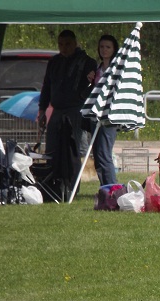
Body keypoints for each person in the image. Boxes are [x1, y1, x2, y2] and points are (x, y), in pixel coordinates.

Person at [38, 30, 97, 162]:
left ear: (75, 44)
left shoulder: (87, 62)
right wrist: (42, 110)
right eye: (61, 44)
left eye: (67, 44)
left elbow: (94, 87)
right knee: (52, 149)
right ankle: (53, 174)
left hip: (76, 110)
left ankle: (77, 174)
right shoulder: (54, 62)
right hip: (57, 110)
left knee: (77, 150)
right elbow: (46, 87)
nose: (64, 48)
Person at [86, 34, 119, 185]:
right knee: (97, 155)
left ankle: (113, 188)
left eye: (108, 47)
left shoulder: (116, 69)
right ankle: (104, 187)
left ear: (114, 49)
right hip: (95, 115)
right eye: (101, 47)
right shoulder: (98, 69)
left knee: (104, 153)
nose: (104, 50)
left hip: (109, 116)